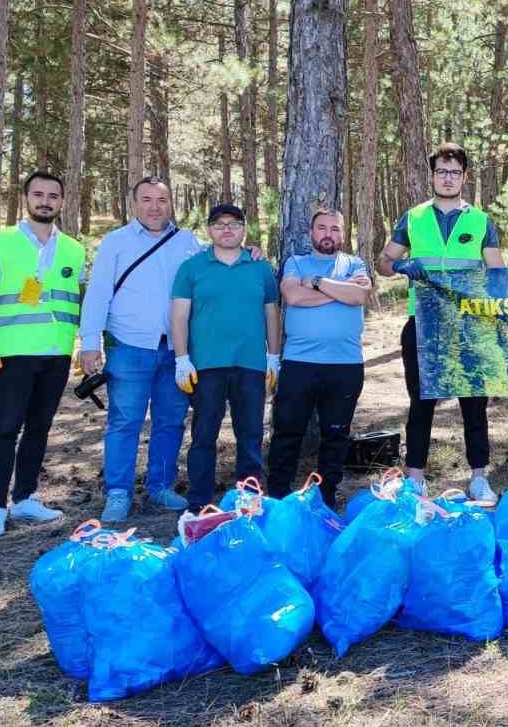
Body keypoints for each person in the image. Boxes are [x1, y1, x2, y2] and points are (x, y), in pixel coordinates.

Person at [378, 144, 505, 503]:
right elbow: (383, 263)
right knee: (421, 401)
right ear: (432, 176)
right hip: (424, 323)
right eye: (441, 172)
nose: (448, 178)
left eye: (454, 172)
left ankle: (479, 477)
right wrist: (400, 266)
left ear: (464, 177)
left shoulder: (480, 221)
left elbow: (496, 272)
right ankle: (415, 477)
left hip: (469, 325)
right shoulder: (413, 218)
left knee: (474, 402)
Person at [79, 177, 208, 523]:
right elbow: (98, 294)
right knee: (124, 422)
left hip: (176, 352)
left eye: (162, 200)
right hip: (129, 348)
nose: (154, 206)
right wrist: (89, 342)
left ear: (171, 204)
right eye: (147, 199)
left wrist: (251, 252)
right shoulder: (116, 242)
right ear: (134, 203)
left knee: (171, 421)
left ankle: (160, 486)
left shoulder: (188, 243)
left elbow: (210, 278)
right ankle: (118, 492)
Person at [0, 171, 82, 537]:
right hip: (13, 351)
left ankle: (25, 497)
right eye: (38, 194)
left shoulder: (74, 249)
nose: (46, 200)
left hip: (57, 351)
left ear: (62, 201)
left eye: (53, 195)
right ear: (25, 199)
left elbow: (75, 299)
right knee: (6, 427)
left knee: (40, 426)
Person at [170, 204, 279, 510]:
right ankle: (200, 502)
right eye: (219, 224)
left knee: (251, 435)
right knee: (204, 436)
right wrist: (182, 358)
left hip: (251, 365)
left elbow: (271, 313)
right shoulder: (192, 268)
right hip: (205, 366)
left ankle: (250, 498)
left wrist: (274, 356)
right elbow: (179, 316)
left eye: (234, 223)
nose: (227, 229)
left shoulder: (260, 267)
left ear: (244, 229)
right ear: (209, 230)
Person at [270, 209, 372, 508]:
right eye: (322, 228)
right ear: (311, 233)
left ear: (343, 233)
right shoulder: (295, 262)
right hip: (299, 363)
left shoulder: (355, 262)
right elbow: (293, 297)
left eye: (335, 229)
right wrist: (340, 290)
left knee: (336, 435)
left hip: (345, 365)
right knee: (287, 431)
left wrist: (314, 282)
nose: (328, 234)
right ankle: (278, 497)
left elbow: (359, 297)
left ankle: (327, 498)